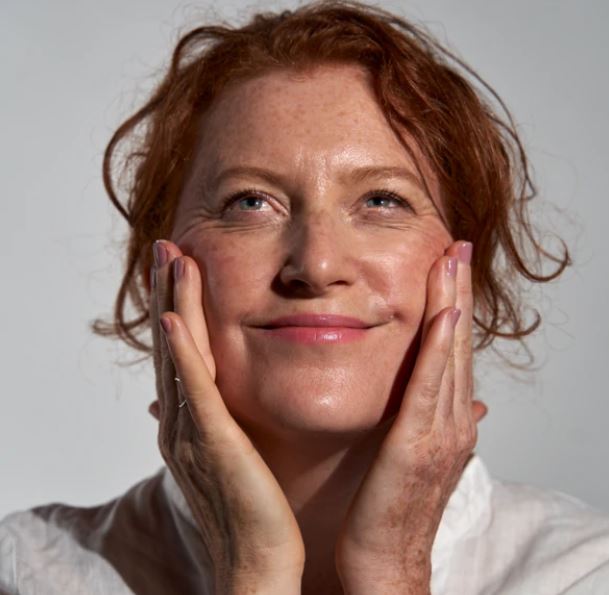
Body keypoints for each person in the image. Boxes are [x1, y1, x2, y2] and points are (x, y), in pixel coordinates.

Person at [1, 1, 608, 593]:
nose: (316, 266)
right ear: (154, 274)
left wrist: (394, 574)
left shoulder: (586, 574)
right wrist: (254, 572)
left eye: (382, 201)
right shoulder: (26, 574)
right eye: (250, 203)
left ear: (469, 271)